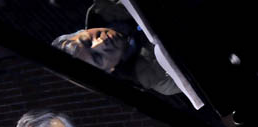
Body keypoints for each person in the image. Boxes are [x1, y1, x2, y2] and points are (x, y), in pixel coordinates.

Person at [51, 1, 180, 98]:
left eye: (86, 41)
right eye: (97, 57)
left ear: (81, 31)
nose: (101, 42)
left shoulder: (107, 4)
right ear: (108, 71)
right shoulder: (162, 80)